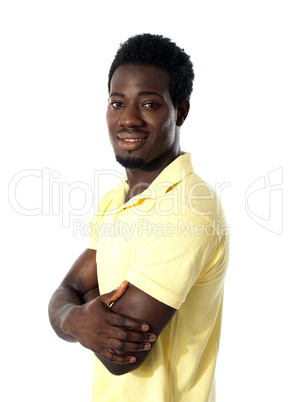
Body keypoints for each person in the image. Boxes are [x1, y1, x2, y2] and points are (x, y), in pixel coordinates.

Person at [49, 33, 229, 402]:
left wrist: (77, 312)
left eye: (148, 104)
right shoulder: (117, 198)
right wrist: (75, 317)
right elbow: (66, 292)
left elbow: (120, 355)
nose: (128, 119)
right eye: (117, 102)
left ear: (180, 111)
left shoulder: (188, 209)